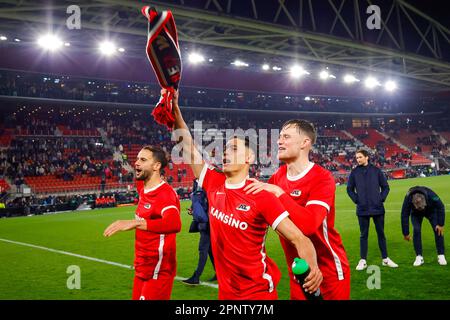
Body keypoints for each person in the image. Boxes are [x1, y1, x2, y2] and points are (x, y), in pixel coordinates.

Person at [170, 89, 322, 300]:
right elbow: (188, 148)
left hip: (257, 294)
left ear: (249, 157)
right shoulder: (214, 183)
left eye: (233, 149)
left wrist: (312, 269)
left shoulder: (261, 195)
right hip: (226, 294)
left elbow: (299, 239)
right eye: (224, 149)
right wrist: (176, 113)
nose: (224, 153)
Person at [245, 119, 350, 300]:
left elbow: (309, 225)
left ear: (304, 143)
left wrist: (279, 193)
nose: (279, 141)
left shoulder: (322, 178)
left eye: (286, 136)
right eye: (279, 137)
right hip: (298, 273)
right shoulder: (277, 178)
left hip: (328, 272)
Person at [103, 146, 181, 300]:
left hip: (158, 268)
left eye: (143, 160)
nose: (136, 163)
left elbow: (174, 224)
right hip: (142, 266)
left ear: (157, 166)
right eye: (137, 158)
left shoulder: (165, 195)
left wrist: (136, 223)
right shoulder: (142, 186)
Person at [347, 149, 398, 270]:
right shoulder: (354, 173)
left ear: (366, 157)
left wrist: (380, 199)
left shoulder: (376, 171)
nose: (358, 159)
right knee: (363, 235)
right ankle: (363, 260)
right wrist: (357, 200)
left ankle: (385, 259)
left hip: (377, 208)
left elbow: (385, 187)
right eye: (357, 158)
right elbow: (349, 189)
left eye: (360, 157)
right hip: (362, 209)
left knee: (381, 234)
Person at [401, 186, 447, 266]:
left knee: (437, 229)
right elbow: (404, 214)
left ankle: (441, 255)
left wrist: (440, 224)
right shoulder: (408, 198)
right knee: (416, 229)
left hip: (431, 211)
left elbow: (441, 206)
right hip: (415, 213)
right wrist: (406, 233)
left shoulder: (431, 194)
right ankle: (419, 257)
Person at [182, 180, 216, 285]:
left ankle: (196, 277)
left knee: (203, 250)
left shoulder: (204, 186)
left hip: (207, 224)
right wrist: (194, 211)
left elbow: (207, 205)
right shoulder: (203, 186)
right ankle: (220, 273)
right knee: (209, 250)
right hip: (207, 223)